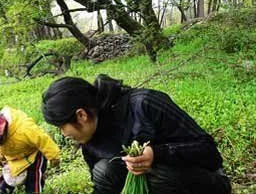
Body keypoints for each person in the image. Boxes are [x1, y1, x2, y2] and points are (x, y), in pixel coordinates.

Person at [41, 74, 231, 194]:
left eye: (61, 126)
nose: (63, 133)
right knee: (104, 171)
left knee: (157, 175)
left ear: (81, 115)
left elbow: (210, 153)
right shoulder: (90, 139)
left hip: (205, 182)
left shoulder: (145, 104)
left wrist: (157, 154)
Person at [0, 106, 60, 194]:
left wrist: (53, 157)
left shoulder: (25, 129)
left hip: (33, 154)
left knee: (34, 179)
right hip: (13, 157)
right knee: (5, 182)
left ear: (1, 129)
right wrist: (1, 158)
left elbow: (43, 140)